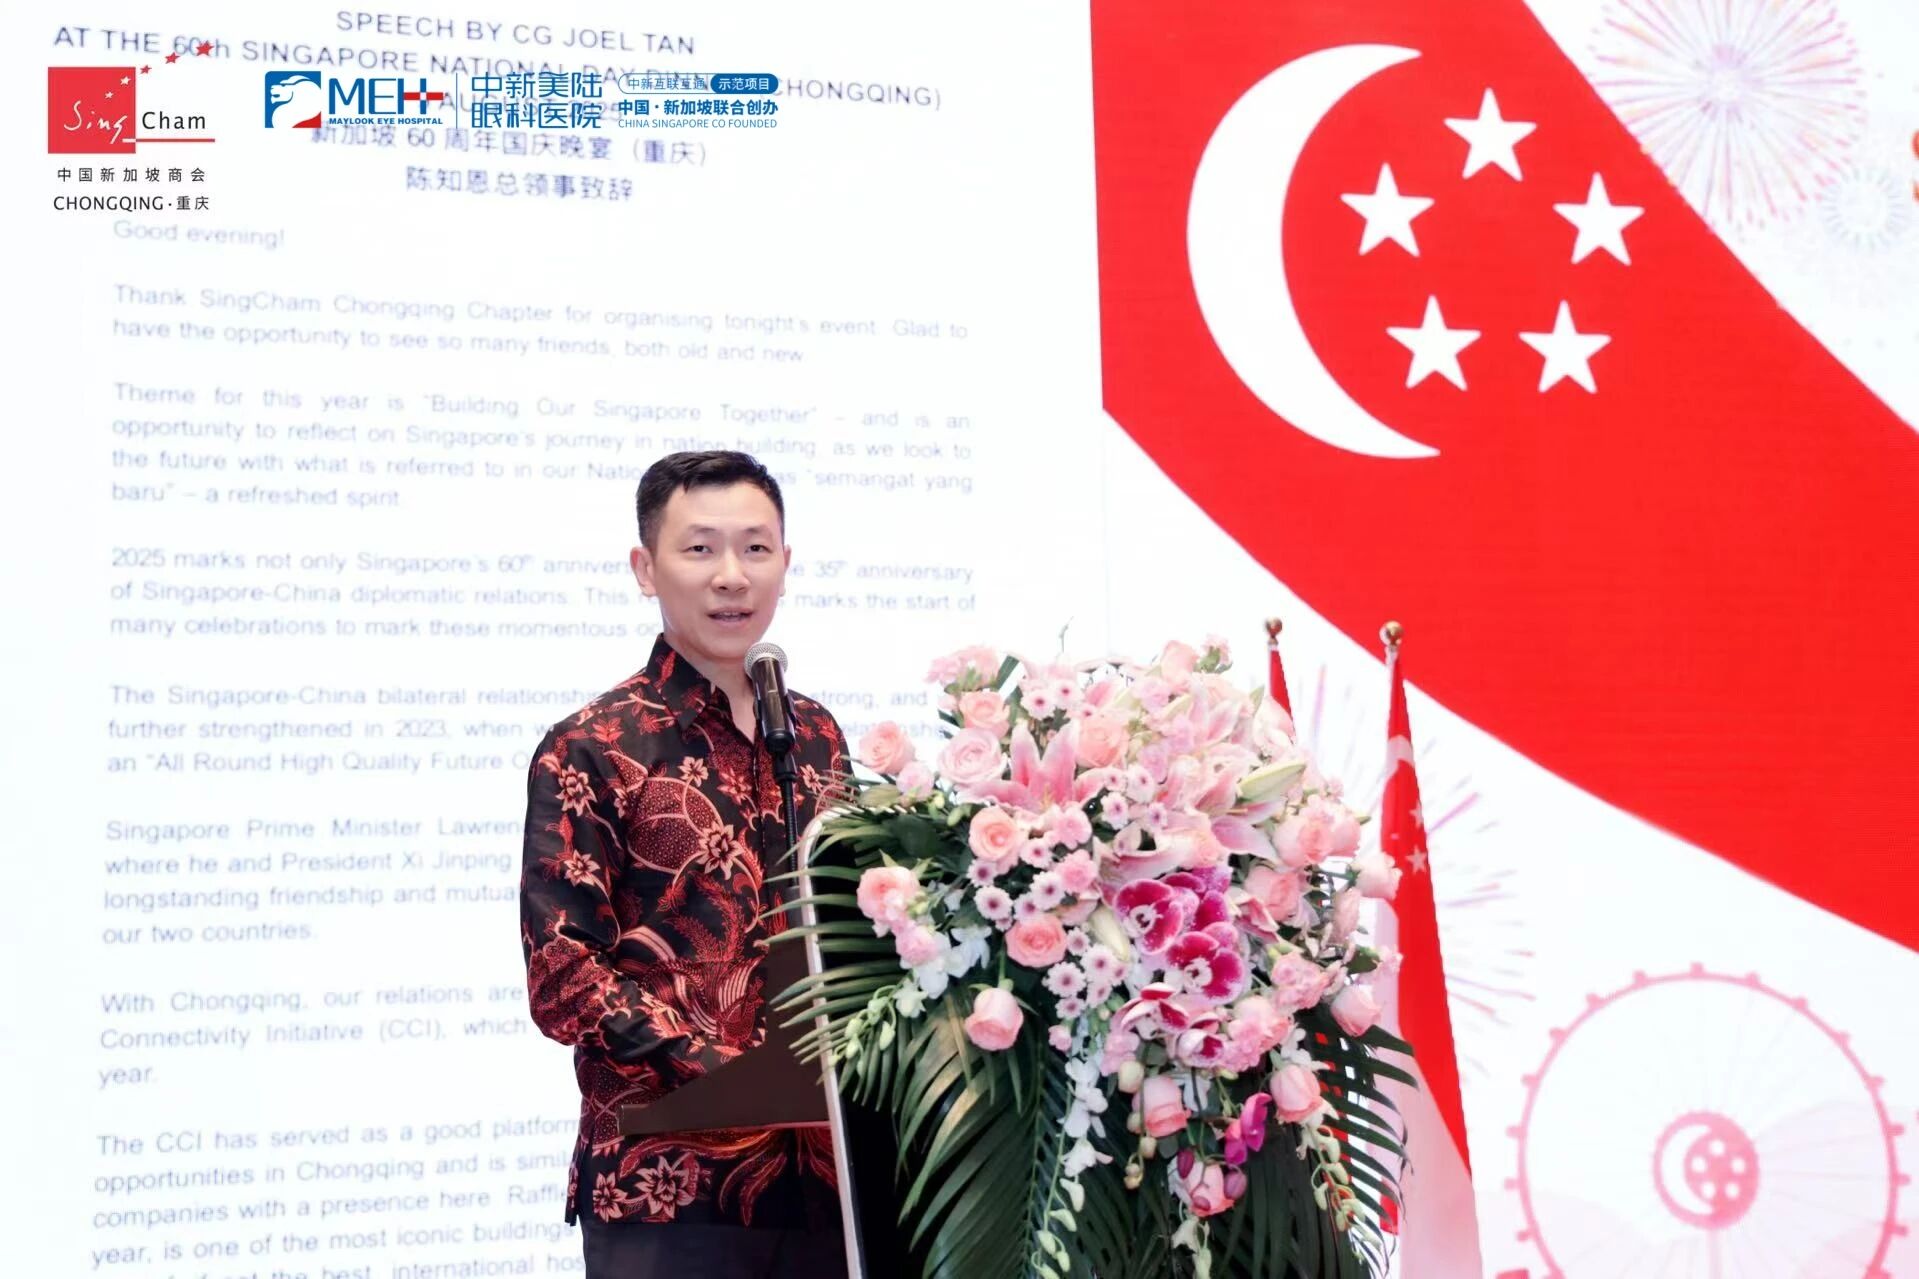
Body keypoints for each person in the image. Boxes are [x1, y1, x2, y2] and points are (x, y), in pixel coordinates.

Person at [519, 450, 850, 1278]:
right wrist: (722, 1073)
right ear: (645, 568)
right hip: (668, 1188)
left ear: (784, 563)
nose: (731, 575)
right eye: (700, 548)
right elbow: (563, 974)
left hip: (827, 1182)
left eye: (755, 548)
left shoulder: (815, 737)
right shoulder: (592, 744)